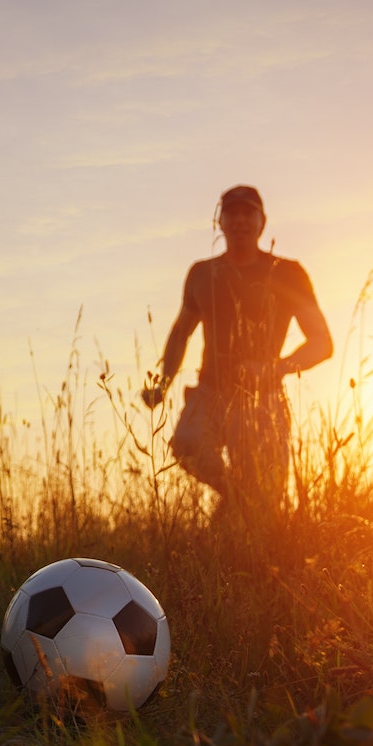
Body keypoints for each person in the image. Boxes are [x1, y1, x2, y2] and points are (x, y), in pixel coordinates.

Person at [143, 185, 332, 516]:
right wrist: (163, 383)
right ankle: (237, 498)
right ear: (220, 221)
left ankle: (241, 511)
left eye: (249, 213)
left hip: (263, 399)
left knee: (264, 506)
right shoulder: (202, 274)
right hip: (211, 390)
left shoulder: (288, 273)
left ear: (263, 222)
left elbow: (322, 343)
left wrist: (275, 368)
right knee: (187, 445)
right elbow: (180, 332)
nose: (240, 220)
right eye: (232, 213)